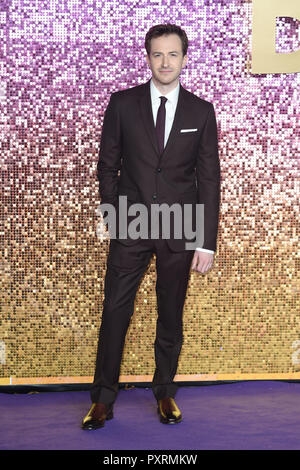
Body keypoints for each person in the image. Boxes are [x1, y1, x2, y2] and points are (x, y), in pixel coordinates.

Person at [82, 23, 220, 430]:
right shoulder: (123, 104)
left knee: (170, 315)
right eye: (157, 54)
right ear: (147, 57)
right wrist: (116, 218)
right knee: (114, 311)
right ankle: (102, 399)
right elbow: (107, 166)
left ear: (184, 58)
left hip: (180, 229)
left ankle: (165, 393)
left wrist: (205, 241)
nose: (165, 62)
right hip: (132, 226)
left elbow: (208, 179)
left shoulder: (201, 111)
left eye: (172, 54)